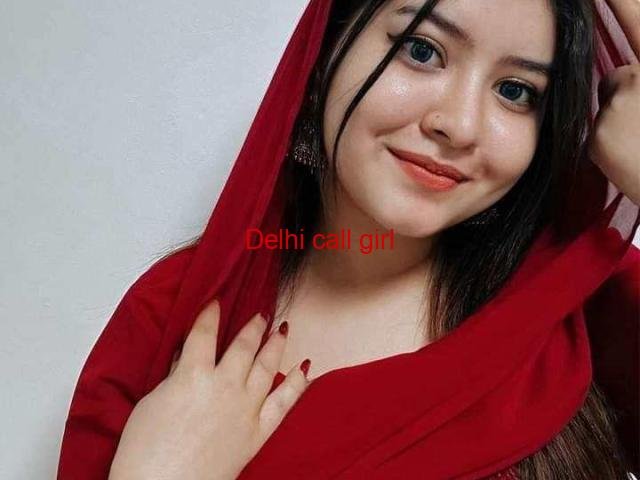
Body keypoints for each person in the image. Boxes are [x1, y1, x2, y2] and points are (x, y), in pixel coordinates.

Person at [57, 0, 640, 478]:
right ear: (324, 56)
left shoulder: (576, 294)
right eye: (421, 49)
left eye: (515, 90)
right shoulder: (171, 318)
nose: (460, 126)